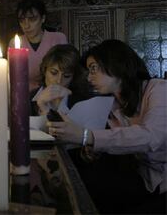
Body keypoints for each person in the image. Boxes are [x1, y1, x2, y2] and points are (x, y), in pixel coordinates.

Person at [47, 40, 166, 213]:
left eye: (94, 68)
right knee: (82, 178)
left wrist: (88, 136)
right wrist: (90, 150)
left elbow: (151, 137)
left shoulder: (159, 89)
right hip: (142, 176)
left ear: (116, 64)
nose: (89, 77)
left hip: (160, 182)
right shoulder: (113, 106)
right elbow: (114, 143)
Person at [9, 0, 67, 91]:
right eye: (22, 20)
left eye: (32, 19)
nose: (26, 25)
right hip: (25, 96)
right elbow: (13, 77)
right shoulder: (15, 43)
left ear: (43, 18)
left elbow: (66, 71)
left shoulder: (58, 38)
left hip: (55, 92)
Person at [30, 44, 90, 117]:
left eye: (66, 76)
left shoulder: (82, 101)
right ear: (45, 70)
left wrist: (58, 105)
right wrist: (41, 104)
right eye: (54, 73)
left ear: (73, 77)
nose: (59, 81)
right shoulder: (28, 98)